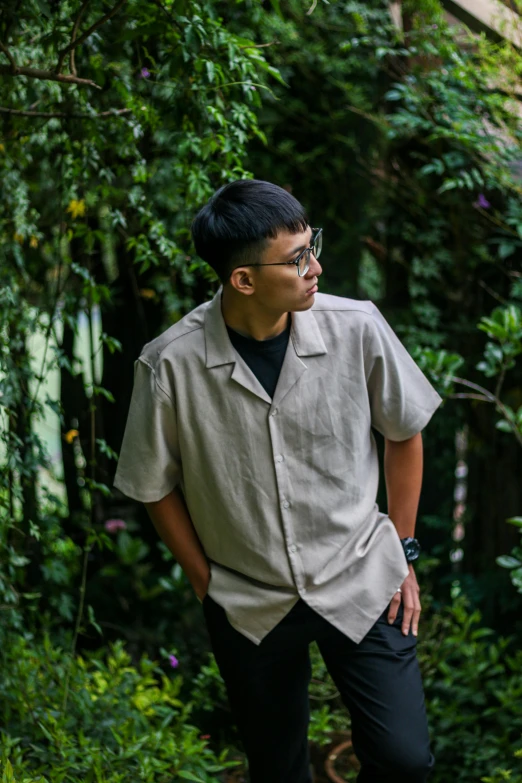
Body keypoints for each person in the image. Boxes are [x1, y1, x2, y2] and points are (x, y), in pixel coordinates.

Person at [113, 179, 443, 783]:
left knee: (404, 762)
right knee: (278, 769)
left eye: (310, 244)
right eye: (296, 259)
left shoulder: (358, 328)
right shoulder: (170, 363)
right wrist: (204, 580)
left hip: (364, 574)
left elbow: (404, 431)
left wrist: (402, 547)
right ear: (243, 280)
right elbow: (152, 484)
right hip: (249, 599)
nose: (315, 266)